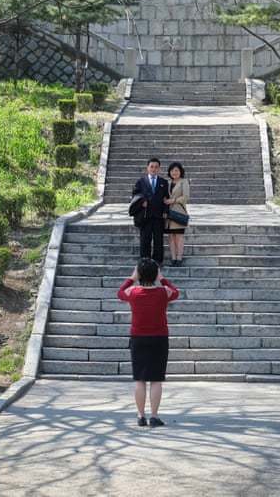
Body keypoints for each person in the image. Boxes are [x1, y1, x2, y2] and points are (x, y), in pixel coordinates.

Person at [117, 258, 179, 427]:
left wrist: (131, 278)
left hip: (138, 338)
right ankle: (154, 416)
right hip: (159, 338)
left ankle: (140, 415)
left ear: (139, 274)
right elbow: (176, 291)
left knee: (140, 379)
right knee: (156, 380)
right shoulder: (163, 292)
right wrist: (162, 279)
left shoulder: (133, 292)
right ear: (156, 274)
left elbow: (119, 292)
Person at [132, 158, 168, 264]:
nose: (154, 169)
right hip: (145, 215)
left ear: (159, 169)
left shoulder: (163, 182)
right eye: (151, 166)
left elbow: (166, 198)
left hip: (159, 216)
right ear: (147, 168)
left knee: (158, 240)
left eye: (156, 167)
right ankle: (145, 262)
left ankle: (157, 261)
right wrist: (141, 202)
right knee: (145, 240)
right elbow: (135, 195)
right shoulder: (141, 182)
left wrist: (166, 212)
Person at [163, 162, 190, 266]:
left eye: (176, 170)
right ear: (170, 172)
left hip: (178, 213)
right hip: (168, 215)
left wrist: (173, 200)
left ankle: (179, 258)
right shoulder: (168, 183)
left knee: (179, 236)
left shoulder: (184, 182)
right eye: (172, 170)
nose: (174, 172)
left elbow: (185, 197)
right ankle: (173, 258)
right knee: (171, 236)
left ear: (180, 171)